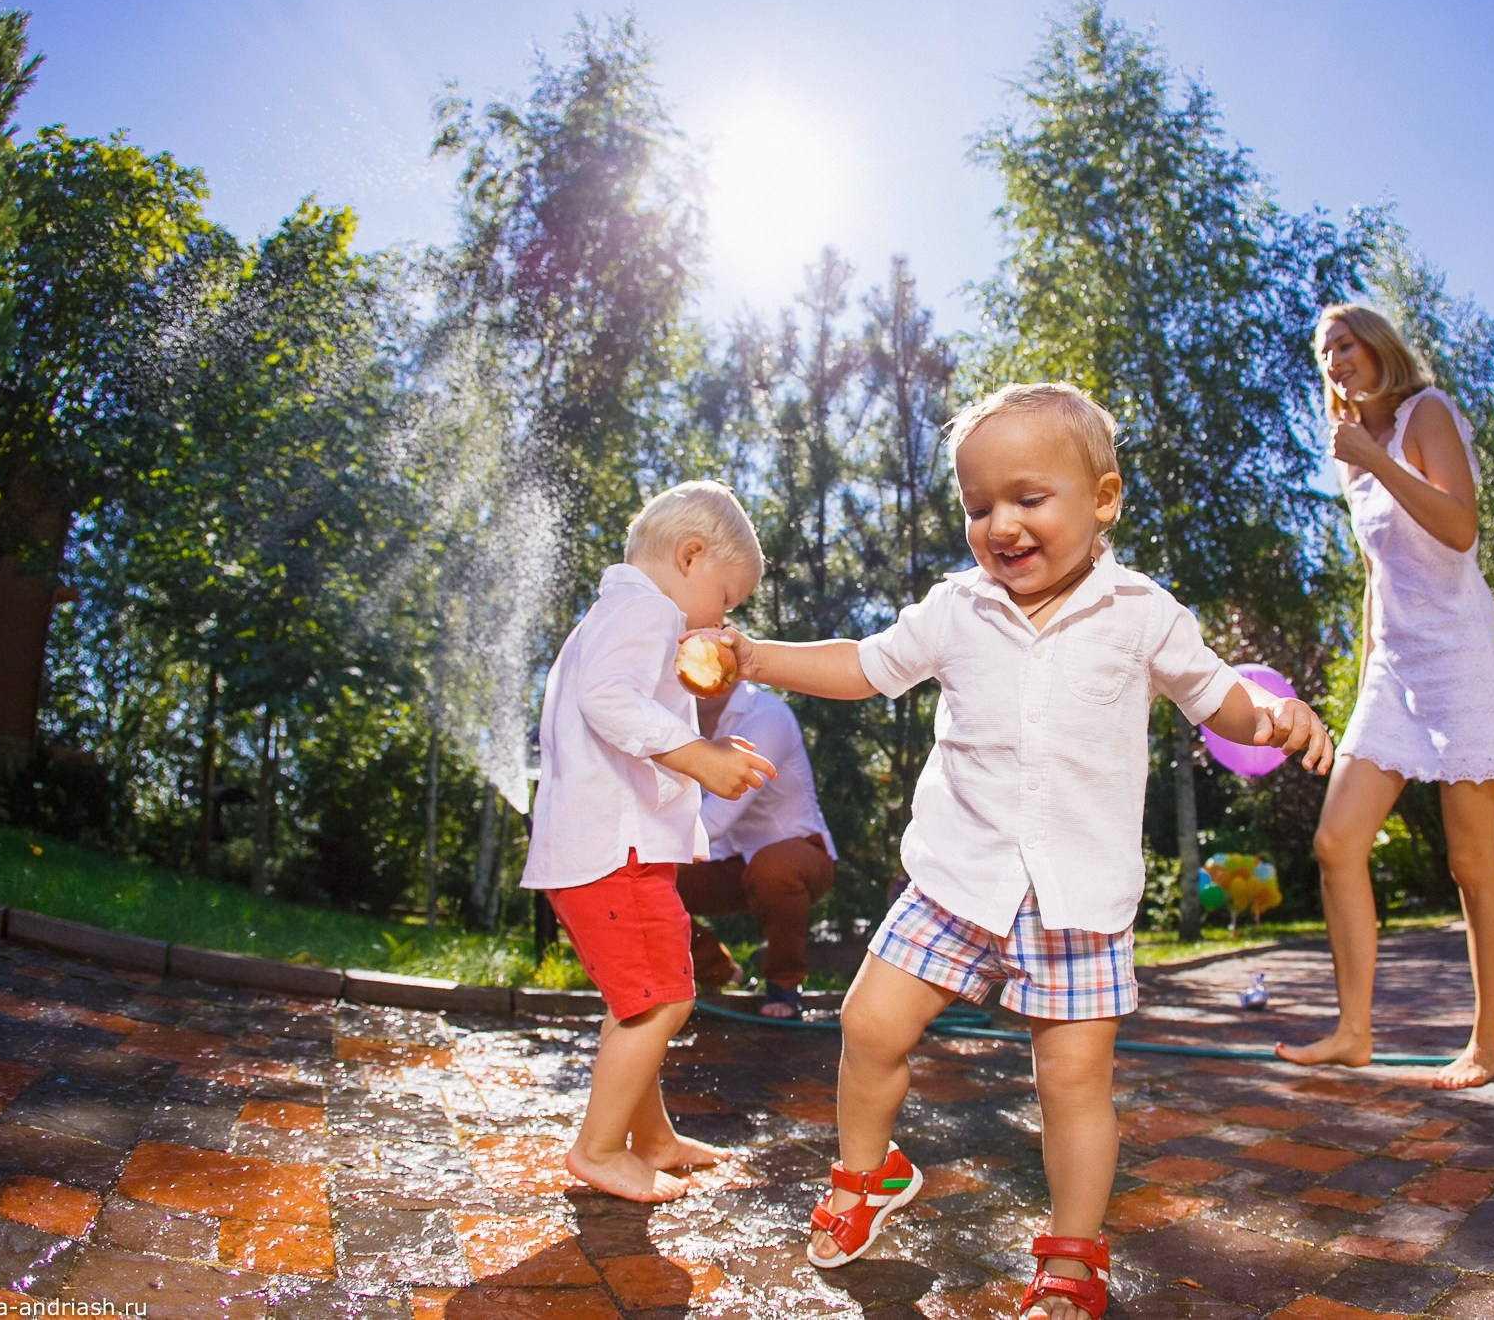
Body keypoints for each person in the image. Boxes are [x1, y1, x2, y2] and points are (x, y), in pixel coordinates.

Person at [708, 383, 1333, 1320]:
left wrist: (1278, 716)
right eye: (976, 506)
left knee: (1072, 1083)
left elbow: (1220, 699)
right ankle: (865, 1175)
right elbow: (863, 664)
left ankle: (1074, 1253)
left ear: (1104, 498)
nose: (1000, 524)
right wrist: (756, 655)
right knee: (870, 1025)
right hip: (958, 876)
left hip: (1078, 899)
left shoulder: (1143, 613)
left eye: (1027, 498)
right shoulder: (957, 608)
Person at [1274, 304, 1494, 1091]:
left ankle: (1487, 1043)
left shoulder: (1427, 412)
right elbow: (1379, 572)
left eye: (1344, 343)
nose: (1334, 360)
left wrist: (1378, 462)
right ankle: (1354, 1031)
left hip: (1459, 655)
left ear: (1376, 345)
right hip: (1394, 666)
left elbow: (1458, 528)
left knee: (1469, 858)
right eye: (1323, 353)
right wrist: (1370, 656)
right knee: (1336, 841)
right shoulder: (1351, 458)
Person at [520, 481, 778, 1203]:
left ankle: (651, 1138)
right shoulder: (645, 609)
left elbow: (624, 702)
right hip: (615, 853)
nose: (724, 617)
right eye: (725, 596)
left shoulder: (618, 614)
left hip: (608, 851)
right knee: (662, 997)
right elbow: (607, 699)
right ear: (689, 555)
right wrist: (700, 756)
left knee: (639, 1000)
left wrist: (697, 727)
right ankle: (599, 1148)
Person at [679, 681, 837, 1019]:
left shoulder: (766, 714)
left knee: (772, 870)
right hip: (728, 859)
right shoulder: (676, 721)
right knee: (648, 878)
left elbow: (717, 816)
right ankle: (716, 971)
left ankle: (785, 984)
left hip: (798, 852)